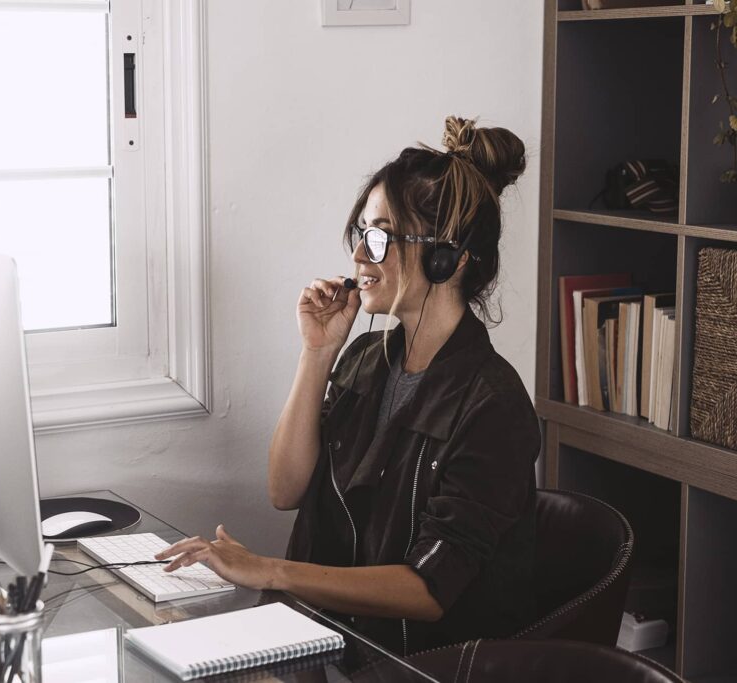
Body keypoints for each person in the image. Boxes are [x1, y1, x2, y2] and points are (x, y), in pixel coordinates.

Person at [155, 116, 541, 656]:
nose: (360, 255)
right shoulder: (364, 358)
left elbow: (430, 589)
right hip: (327, 643)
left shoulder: (492, 406)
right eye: (363, 233)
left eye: (381, 236)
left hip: (411, 663)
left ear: (445, 256)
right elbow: (284, 490)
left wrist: (270, 571)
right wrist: (317, 354)